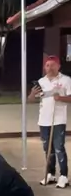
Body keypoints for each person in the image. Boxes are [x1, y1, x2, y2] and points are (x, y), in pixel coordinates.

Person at [27, 55, 71, 188]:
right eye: (47, 65)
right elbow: (31, 100)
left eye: (53, 65)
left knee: (59, 148)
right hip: (44, 120)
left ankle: (63, 176)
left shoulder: (66, 80)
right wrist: (32, 94)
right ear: (44, 68)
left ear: (58, 66)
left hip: (58, 119)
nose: (50, 68)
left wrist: (60, 98)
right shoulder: (41, 81)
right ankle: (50, 174)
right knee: (47, 149)